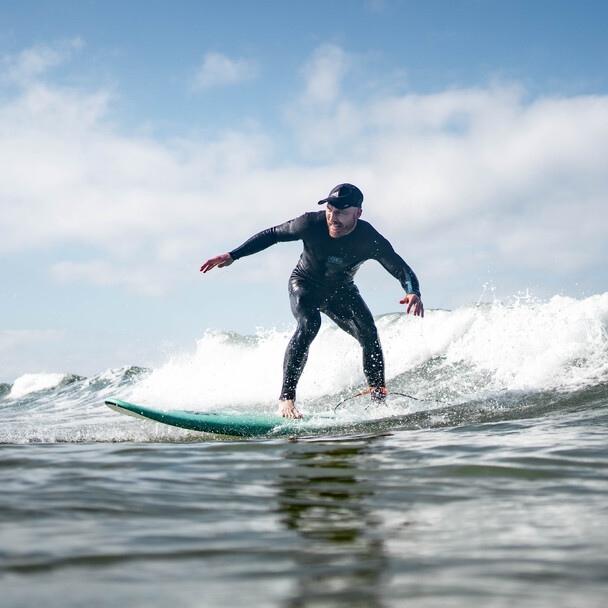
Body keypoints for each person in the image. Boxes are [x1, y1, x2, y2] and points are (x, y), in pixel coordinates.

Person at [200, 183, 423, 419]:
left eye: (341, 213)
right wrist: (233, 255)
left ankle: (379, 401)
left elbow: (400, 267)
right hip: (305, 284)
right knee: (309, 325)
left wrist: (412, 291)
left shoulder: (368, 238)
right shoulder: (310, 223)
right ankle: (286, 399)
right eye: (330, 209)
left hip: (342, 290)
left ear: (358, 213)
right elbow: (273, 234)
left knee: (369, 333)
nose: (333, 217)